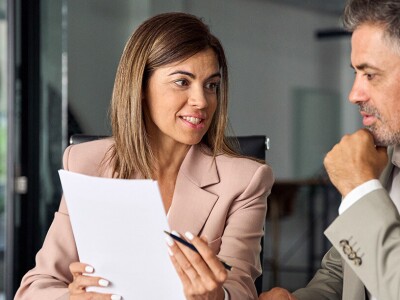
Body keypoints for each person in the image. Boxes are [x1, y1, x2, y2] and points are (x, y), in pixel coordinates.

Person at [14, 12, 273, 300]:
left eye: (211, 85)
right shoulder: (85, 163)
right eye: (182, 82)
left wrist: (215, 296)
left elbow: (240, 289)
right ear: (140, 88)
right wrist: (72, 298)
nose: (202, 101)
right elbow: (35, 287)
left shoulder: (244, 181)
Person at [259, 0, 400, 299]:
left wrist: (360, 190)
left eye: (370, 74)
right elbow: (342, 272)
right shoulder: (384, 160)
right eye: (355, 73)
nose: (354, 94)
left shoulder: (365, 176)